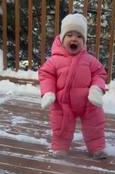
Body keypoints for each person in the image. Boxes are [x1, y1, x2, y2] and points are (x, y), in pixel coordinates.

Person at [38, 13, 107, 160]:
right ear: (62, 39)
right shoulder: (54, 60)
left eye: (79, 36)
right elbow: (46, 75)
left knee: (94, 125)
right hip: (63, 103)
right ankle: (60, 148)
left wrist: (96, 88)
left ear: (84, 41)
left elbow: (100, 74)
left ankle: (97, 148)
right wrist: (48, 92)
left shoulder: (90, 60)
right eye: (69, 35)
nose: (74, 39)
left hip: (88, 102)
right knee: (60, 126)